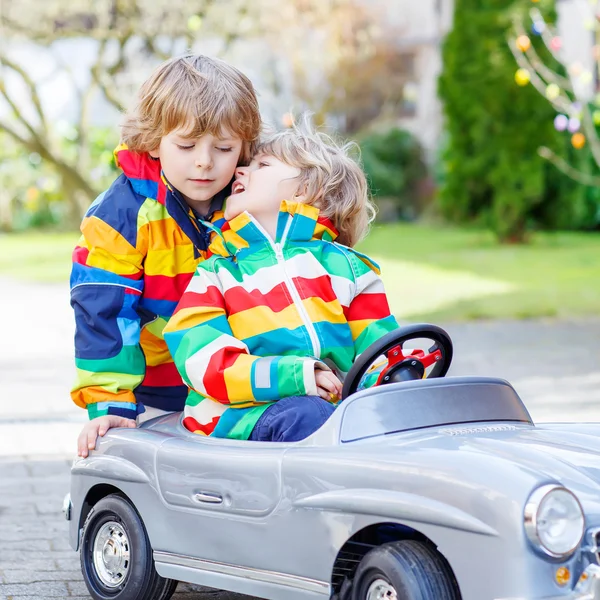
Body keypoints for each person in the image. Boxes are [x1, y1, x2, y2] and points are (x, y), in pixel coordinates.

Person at [163, 117, 399, 442]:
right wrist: (294, 376)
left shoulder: (350, 270)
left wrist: (396, 380)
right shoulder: (216, 275)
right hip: (240, 421)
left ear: (304, 190)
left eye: (261, 164)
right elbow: (202, 361)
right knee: (308, 415)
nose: (240, 172)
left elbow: (380, 353)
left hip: (331, 419)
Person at [72, 54, 261, 457]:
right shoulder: (119, 219)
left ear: (245, 148)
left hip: (245, 378)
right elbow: (104, 313)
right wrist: (111, 404)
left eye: (224, 147)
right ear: (153, 142)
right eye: (187, 145)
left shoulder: (256, 201)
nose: (205, 162)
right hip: (157, 391)